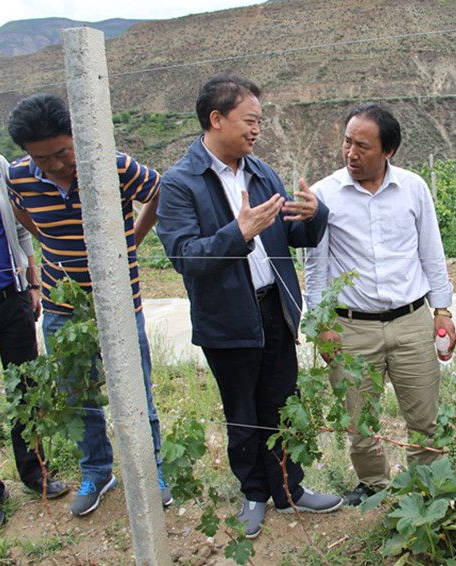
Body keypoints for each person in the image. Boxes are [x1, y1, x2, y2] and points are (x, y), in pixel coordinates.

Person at [156, 73, 342, 539]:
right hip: (227, 319)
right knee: (243, 414)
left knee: (282, 404)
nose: (257, 129)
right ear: (216, 119)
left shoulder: (260, 173)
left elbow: (292, 235)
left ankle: (289, 489)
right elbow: (184, 257)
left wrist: (314, 215)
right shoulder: (180, 183)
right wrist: (237, 233)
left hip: (274, 308)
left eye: (260, 121)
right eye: (249, 120)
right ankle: (254, 493)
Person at [6, 93, 169, 517]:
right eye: (42, 158)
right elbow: (22, 213)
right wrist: (49, 241)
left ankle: (151, 471)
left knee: (137, 392)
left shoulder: (115, 166)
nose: (55, 165)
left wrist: (133, 238)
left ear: (76, 135)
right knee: (77, 393)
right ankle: (96, 471)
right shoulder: (19, 177)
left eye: (61, 152)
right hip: (61, 310)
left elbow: (159, 191)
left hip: (120, 302)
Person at [304, 103, 456, 506]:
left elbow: (431, 252)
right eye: (347, 142)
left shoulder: (413, 188)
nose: (351, 153)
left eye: (363, 146)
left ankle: (425, 492)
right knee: (360, 422)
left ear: (388, 151)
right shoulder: (324, 195)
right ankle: (374, 487)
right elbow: (316, 268)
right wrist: (321, 324)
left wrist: (442, 311)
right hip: (351, 328)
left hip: (411, 322)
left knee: (425, 418)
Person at [0, 152, 70, 529]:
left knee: (26, 385)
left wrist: (34, 283)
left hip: (12, 297)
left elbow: (21, 228)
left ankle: (34, 471)